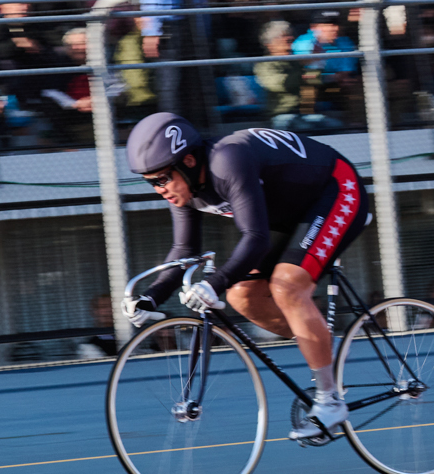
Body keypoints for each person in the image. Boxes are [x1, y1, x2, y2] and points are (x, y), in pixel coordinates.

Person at [121, 113, 372, 439]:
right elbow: (184, 249)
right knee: (241, 297)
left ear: (189, 160)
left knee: (287, 286)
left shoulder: (227, 161)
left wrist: (214, 282)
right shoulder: (184, 186)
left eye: (162, 179)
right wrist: (150, 296)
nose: (159, 189)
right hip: (289, 212)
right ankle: (327, 345)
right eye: (150, 182)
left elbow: (255, 238)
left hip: (336, 188)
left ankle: (330, 402)